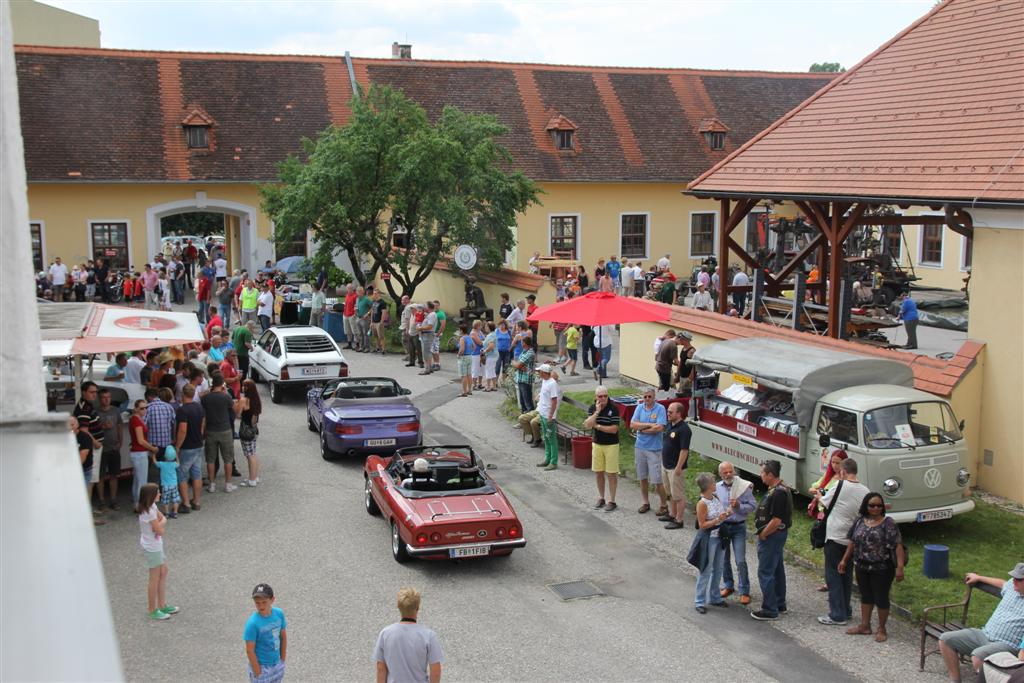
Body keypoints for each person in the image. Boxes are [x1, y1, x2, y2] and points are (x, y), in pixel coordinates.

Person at [937, 564, 1024, 683]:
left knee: (978, 656)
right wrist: (979, 577)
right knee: (945, 640)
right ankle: (955, 681)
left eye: (1018, 579)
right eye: (1013, 577)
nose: (1014, 581)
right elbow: (1002, 583)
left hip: (1007, 645)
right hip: (984, 633)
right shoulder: (1012, 586)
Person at [838, 491, 906, 642]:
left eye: (879, 506)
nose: (875, 508)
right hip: (861, 565)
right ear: (865, 506)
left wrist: (900, 567)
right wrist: (844, 560)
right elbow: (852, 542)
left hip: (882, 567)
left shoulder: (888, 523)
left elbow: (897, 545)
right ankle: (865, 625)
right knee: (866, 595)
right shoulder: (860, 521)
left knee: (881, 597)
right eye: (872, 505)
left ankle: (881, 628)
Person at [817, 459, 870, 626]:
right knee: (846, 573)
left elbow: (825, 502)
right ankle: (846, 609)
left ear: (843, 472)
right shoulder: (865, 491)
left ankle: (836, 614)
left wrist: (819, 495)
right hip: (853, 539)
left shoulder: (839, 486)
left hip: (835, 535)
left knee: (833, 574)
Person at [751, 459, 793, 621]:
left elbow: (776, 520)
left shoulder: (779, 493)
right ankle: (779, 603)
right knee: (776, 569)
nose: (760, 475)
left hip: (772, 536)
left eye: (762, 472)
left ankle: (770, 609)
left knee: (765, 571)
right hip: (775, 536)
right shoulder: (778, 489)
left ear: (770, 474)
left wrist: (763, 534)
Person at [373, 587, 443, 683]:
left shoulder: (385, 634)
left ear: (398, 607)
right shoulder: (429, 636)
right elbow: (436, 672)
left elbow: (381, 668)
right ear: (418, 608)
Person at [136, 483, 178, 621]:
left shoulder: (152, 507)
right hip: (152, 547)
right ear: (151, 496)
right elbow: (160, 529)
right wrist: (163, 523)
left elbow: (161, 519)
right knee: (154, 577)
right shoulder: (149, 512)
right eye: (157, 492)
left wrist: (162, 522)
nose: (159, 494)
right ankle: (152, 609)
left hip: (155, 545)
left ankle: (162, 604)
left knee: (163, 571)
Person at [716, 461, 757, 606]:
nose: (728, 474)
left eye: (730, 471)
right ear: (721, 474)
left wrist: (739, 506)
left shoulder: (743, 487)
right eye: (725, 472)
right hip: (724, 527)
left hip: (739, 527)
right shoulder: (717, 488)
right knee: (724, 559)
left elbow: (752, 506)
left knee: (740, 560)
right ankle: (728, 585)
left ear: (734, 471)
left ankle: (744, 591)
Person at [693, 472, 731, 613]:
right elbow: (702, 525)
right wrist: (717, 520)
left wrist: (727, 513)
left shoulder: (715, 497)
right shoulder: (702, 503)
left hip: (720, 537)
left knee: (718, 568)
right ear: (708, 486)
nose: (716, 484)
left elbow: (720, 515)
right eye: (713, 482)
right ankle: (699, 601)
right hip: (710, 539)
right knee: (706, 570)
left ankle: (715, 597)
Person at [629, 390, 668, 517]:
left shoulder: (660, 408)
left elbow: (660, 428)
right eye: (645, 396)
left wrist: (642, 429)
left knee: (657, 480)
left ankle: (664, 505)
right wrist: (648, 425)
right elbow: (632, 424)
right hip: (639, 447)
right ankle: (645, 502)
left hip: (654, 449)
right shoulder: (639, 407)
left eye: (649, 396)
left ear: (654, 397)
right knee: (642, 477)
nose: (647, 398)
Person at [202, 373, 240, 493]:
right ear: (222, 383)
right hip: (225, 429)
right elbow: (236, 411)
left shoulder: (206, 398)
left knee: (211, 459)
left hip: (210, 430)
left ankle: (212, 484)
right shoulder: (226, 396)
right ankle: (228, 484)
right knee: (228, 459)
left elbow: (203, 416)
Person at [584, 386, 620, 512]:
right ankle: (601, 497)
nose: (603, 398)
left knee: (611, 474)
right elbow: (588, 425)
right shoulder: (593, 408)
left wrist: (598, 426)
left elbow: (614, 429)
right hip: (597, 444)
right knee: (598, 472)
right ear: (596, 397)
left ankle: (612, 500)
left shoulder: (614, 409)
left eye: (605, 396)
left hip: (611, 445)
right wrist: (597, 413)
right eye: (600, 396)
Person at [245, 583, 288, 683]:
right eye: (257, 603)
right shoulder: (253, 624)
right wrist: (258, 672)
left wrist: (282, 659)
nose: (261, 606)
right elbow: (249, 650)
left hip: (276, 664)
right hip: (262, 668)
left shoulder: (279, 614)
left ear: (272, 600)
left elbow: (283, 636)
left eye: (264, 602)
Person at [173, 383, 205, 513]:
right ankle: (196, 501)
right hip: (198, 444)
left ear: (183, 394)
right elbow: (202, 424)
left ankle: (185, 503)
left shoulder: (182, 410)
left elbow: (182, 430)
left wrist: (177, 446)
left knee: (182, 475)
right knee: (197, 473)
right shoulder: (199, 407)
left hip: (187, 446)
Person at [659, 401, 690, 529]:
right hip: (666, 465)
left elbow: (684, 450)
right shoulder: (669, 425)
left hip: (675, 468)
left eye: (671, 412)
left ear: (679, 413)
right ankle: (672, 513)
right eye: (668, 411)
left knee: (678, 495)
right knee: (670, 492)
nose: (668, 414)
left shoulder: (684, 430)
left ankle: (679, 520)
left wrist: (678, 467)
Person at [95, 388, 123, 512]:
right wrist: (102, 426)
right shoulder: (95, 412)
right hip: (100, 449)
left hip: (114, 447)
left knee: (114, 475)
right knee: (100, 476)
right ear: (99, 399)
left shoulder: (115, 411)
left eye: (108, 397)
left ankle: (113, 500)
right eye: (104, 397)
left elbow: (120, 426)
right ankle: (101, 501)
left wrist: (120, 441)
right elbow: (91, 429)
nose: (107, 400)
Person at [129, 400, 159, 505]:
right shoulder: (136, 420)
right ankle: (141, 505)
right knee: (142, 481)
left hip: (138, 452)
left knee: (137, 480)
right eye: (142, 408)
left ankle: (137, 503)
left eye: (146, 407)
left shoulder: (137, 419)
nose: (145, 410)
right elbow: (140, 440)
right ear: (136, 408)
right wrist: (152, 448)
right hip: (139, 453)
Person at [535, 364, 561, 471]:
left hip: (548, 416)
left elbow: (554, 401)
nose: (538, 373)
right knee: (546, 437)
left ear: (545, 373)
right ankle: (547, 458)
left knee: (551, 438)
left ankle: (553, 462)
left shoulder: (552, 384)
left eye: (540, 371)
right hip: (543, 413)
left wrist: (550, 415)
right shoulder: (544, 381)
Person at [238, 379, 262, 487]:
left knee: (249, 455)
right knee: (253, 453)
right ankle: (254, 476)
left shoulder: (244, 400)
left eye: (244, 386)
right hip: (254, 429)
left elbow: (238, 415)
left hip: (245, 430)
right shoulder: (256, 400)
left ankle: (251, 480)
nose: (242, 387)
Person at [511, 336, 536, 412]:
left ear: (524, 343)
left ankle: (529, 419)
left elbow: (518, 365)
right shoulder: (524, 351)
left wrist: (516, 364)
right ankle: (523, 419)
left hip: (526, 380)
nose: (520, 343)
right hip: (521, 378)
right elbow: (517, 364)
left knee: (527, 402)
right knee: (522, 403)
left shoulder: (530, 353)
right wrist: (517, 364)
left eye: (521, 342)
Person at [155, 446, 181, 518]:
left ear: (165, 456)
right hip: (174, 485)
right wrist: (177, 456)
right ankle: (175, 512)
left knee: (165, 499)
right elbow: (178, 463)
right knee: (175, 499)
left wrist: (154, 455)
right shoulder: (174, 464)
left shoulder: (162, 464)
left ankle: (167, 513)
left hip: (165, 485)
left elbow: (155, 462)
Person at [417, 302, 438, 375]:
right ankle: (429, 367)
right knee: (427, 352)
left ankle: (427, 369)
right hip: (427, 334)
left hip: (427, 334)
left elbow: (430, 326)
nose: (424, 307)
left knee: (426, 352)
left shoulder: (432, 315)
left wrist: (420, 328)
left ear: (428, 307)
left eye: (425, 306)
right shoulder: (430, 314)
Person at [482, 322, 499, 392]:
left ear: (489, 327)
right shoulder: (493, 334)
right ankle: (494, 386)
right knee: (492, 371)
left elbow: (491, 346)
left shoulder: (490, 336)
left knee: (488, 370)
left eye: (486, 326)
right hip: (494, 355)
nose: (485, 328)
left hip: (491, 356)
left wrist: (485, 351)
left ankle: (488, 387)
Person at [355, 286, 372, 351]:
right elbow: (356, 306)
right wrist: (356, 310)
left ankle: (367, 347)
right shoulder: (357, 299)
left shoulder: (366, 299)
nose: (358, 293)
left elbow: (372, 307)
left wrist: (367, 314)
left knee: (366, 333)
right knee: (360, 333)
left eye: (359, 292)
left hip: (365, 319)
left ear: (362, 292)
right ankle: (361, 347)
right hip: (358, 318)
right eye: (357, 291)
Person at [342, 283, 357, 350]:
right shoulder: (347, 295)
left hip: (352, 315)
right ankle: (349, 343)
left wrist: (354, 314)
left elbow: (356, 306)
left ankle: (357, 344)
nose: (348, 290)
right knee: (347, 330)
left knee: (354, 330)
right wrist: (344, 313)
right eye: (347, 288)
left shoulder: (355, 296)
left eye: (350, 288)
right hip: (346, 314)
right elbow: (345, 305)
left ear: (352, 289)